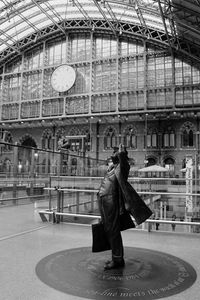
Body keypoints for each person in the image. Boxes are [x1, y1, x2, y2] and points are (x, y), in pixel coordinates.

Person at [97, 144, 152, 270]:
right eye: (114, 151)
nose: (113, 153)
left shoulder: (123, 167)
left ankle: (117, 259)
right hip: (105, 202)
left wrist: (122, 152)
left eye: (116, 151)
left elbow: (124, 161)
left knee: (113, 231)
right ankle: (115, 257)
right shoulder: (112, 167)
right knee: (109, 231)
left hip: (112, 203)